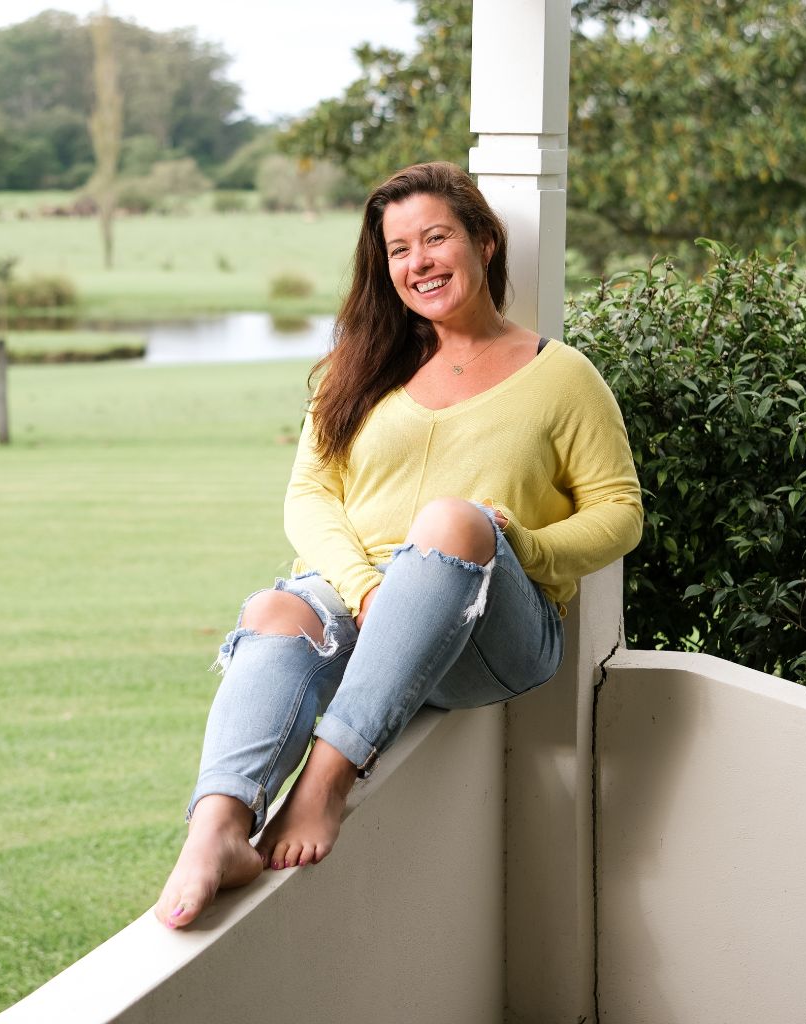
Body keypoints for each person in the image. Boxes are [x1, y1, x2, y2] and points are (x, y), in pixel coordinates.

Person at [154, 161, 642, 929]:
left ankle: (325, 782)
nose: (418, 262)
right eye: (398, 248)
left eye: (436, 238)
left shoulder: (562, 376)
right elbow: (309, 497)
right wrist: (365, 590)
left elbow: (619, 512)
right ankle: (217, 827)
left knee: (452, 520)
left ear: (485, 243)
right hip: (363, 606)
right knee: (280, 608)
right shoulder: (362, 365)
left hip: (493, 629)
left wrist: (523, 546)